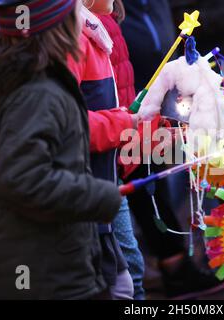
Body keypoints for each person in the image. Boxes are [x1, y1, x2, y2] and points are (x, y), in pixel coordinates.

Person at [0, 0, 124, 299]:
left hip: (41, 260)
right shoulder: (37, 93)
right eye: (75, 15)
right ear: (59, 28)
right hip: (39, 273)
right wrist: (100, 196)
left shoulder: (30, 80)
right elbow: (24, 179)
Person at [121, 0, 223, 299]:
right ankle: (168, 264)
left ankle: (170, 261)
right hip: (128, 101)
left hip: (159, 98)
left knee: (159, 180)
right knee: (143, 183)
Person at [68, 0, 144, 300]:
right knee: (124, 278)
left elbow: (110, 103)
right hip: (86, 185)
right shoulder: (73, 38)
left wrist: (146, 123)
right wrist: (127, 122)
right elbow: (68, 126)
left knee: (126, 275)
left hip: (106, 173)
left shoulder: (96, 30)